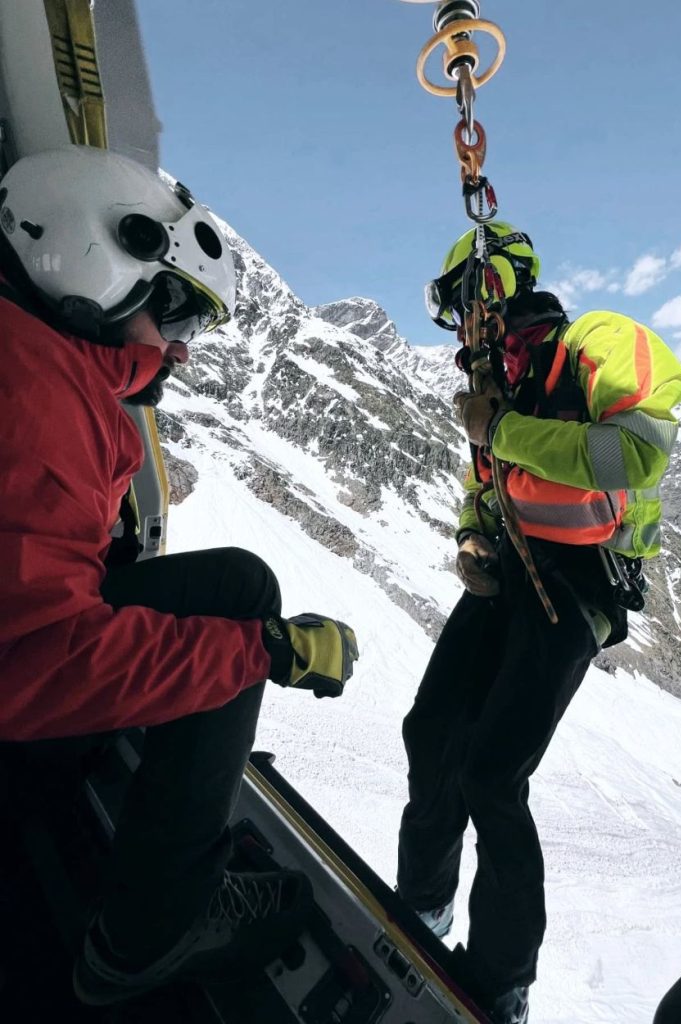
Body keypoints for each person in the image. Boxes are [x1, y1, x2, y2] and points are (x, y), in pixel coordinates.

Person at [0, 144, 358, 1006]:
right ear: (100, 262)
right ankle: (145, 937)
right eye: (178, 320)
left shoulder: (39, 362)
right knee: (242, 611)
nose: (182, 352)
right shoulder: (42, 412)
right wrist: (261, 653)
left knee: (231, 584)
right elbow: (32, 666)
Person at [396, 221, 681, 1024]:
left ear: (487, 291)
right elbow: (484, 477)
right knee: (430, 732)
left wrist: (500, 429)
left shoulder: (598, 344)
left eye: (459, 309)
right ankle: (420, 906)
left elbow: (633, 455)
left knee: (492, 774)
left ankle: (502, 976)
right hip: (512, 566)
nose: (458, 332)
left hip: (579, 584)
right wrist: (468, 530)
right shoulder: (503, 383)